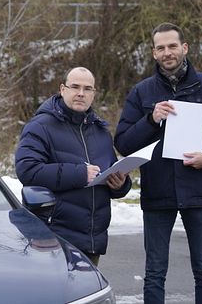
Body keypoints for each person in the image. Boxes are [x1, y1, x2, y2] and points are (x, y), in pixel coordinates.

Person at [114, 23, 202, 304]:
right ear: (153, 53)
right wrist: (151, 120)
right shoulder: (142, 93)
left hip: (200, 191)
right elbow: (123, 143)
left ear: (184, 48)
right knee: (155, 272)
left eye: (172, 46)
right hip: (158, 193)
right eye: (160, 48)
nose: (167, 52)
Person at [15, 66, 131, 265]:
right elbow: (27, 170)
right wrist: (78, 174)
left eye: (87, 89)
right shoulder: (40, 126)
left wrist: (121, 184)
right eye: (75, 87)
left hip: (93, 239)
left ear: (93, 94)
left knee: (89, 295)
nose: (81, 93)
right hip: (55, 238)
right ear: (62, 89)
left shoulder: (101, 131)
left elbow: (110, 171)